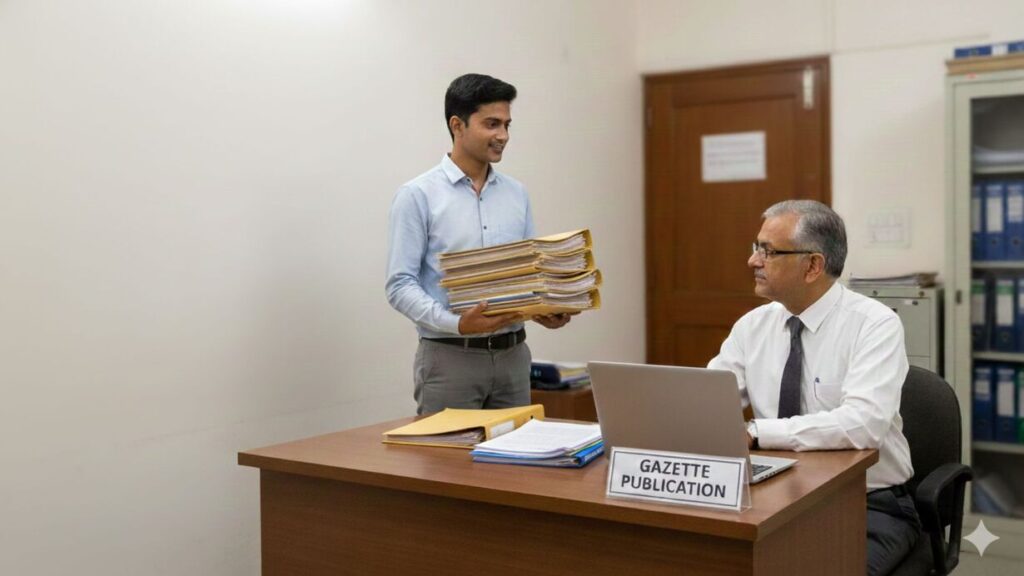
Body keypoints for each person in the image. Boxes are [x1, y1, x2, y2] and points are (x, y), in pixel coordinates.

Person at [708, 200, 920, 576]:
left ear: (813, 266)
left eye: (767, 251)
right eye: (756, 248)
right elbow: (706, 401)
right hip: (775, 495)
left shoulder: (874, 324)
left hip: (868, 504)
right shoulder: (752, 326)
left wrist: (758, 432)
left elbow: (864, 424)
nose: (753, 261)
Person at [386, 73, 572, 415]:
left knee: (512, 467)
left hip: (514, 358)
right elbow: (399, 285)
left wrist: (544, 308)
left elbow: (527, 271)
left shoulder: (517, 193)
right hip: (450, 358)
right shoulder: (417, 196)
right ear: (458, 125)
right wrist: (456, 323)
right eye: (492, 124)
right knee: (445, 468)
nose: (503, 135)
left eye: (507, 125)